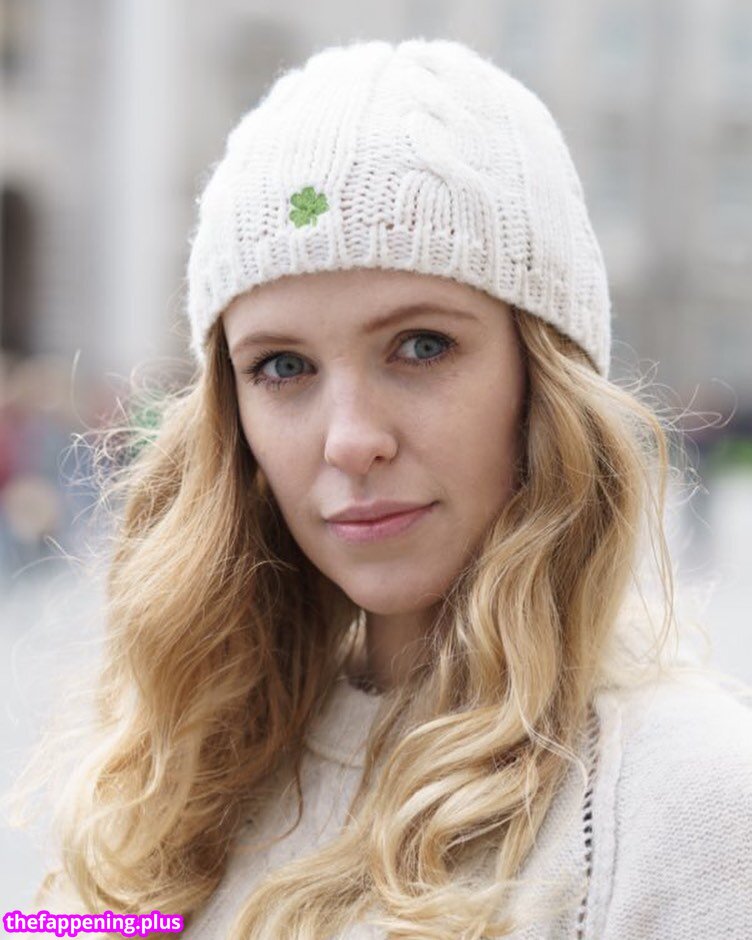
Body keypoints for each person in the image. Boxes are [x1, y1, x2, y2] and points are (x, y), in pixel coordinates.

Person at [7, 37, 752, 939]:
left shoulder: (685, 804)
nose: (352, 440)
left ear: (544, 375)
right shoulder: (188, 763)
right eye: (283, 366)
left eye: (421, 346)